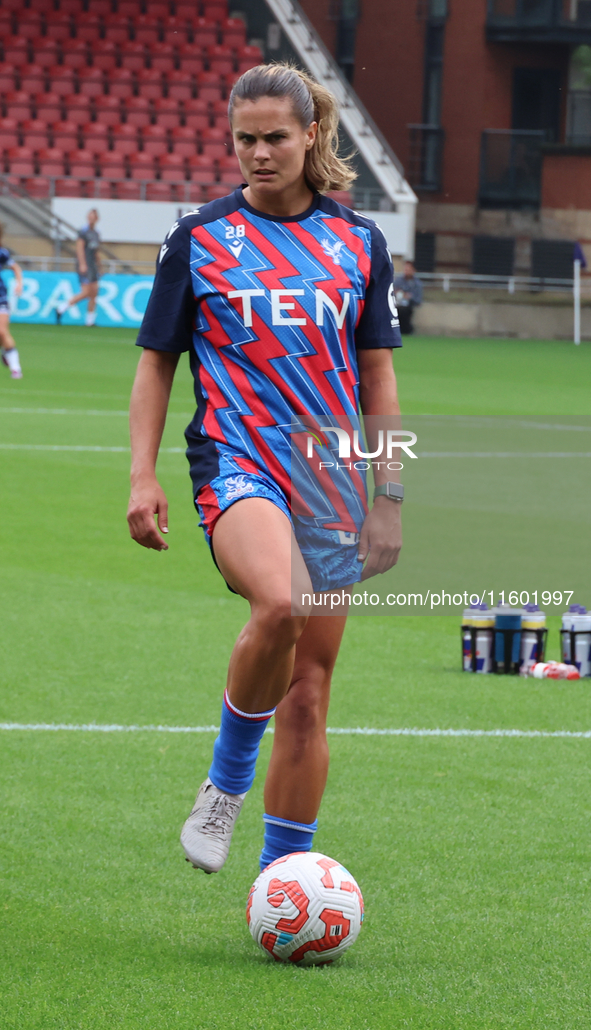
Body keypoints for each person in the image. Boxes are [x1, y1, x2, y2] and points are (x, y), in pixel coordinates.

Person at [127, 63, 404, 876]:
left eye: (274, 137)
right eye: (244, 139)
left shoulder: (357, 241)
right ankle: (224, 783)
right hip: (237, 455)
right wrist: (142, 477)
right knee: (279, 600)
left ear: (309, 134)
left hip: (328, 471)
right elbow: (155, 364)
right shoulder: (201, 239)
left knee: (309, 696)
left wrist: (388, 495)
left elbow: (378, 374)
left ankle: (279, 885)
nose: (257, 153)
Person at [56, 208, 101, 326]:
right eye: (90, 216)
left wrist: (99, 265)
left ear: (97, 219)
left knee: (94, 292)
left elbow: (96, 251)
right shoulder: (83, 232)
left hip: (93, 265)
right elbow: (80, 249)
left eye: (94, 216)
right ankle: (61, 308)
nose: (91, 218)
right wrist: (82, 264)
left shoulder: (96, 233)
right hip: (85, 265)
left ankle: (90, 321)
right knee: (86, 292)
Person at [0, 226, 23, 380]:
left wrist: (19, 282)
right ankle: (7, 354)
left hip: (0, 296)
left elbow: (15, 267)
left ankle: (16, 368)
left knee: (2, 331)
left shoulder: (2, 253)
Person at [393, 260, 423, 335]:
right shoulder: (398, 281)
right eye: (405, 269)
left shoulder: (417, 284)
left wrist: (408, 297)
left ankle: (406, 331)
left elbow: (418, 300)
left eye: (408, 270)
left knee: (404, 312)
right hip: (397, 305)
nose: (406, 271)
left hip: (409, 307)